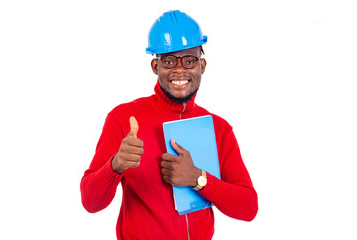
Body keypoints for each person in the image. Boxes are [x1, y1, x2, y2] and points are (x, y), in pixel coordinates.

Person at [80, 10, 258, 240]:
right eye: (169, 60)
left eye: (189, 60)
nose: (180, 70)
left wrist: (198, 179)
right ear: (156, 66)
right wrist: (115, 165)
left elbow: (248, 208)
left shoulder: (219, 129)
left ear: (202, 65)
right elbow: (90, 203)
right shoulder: (123, 118)